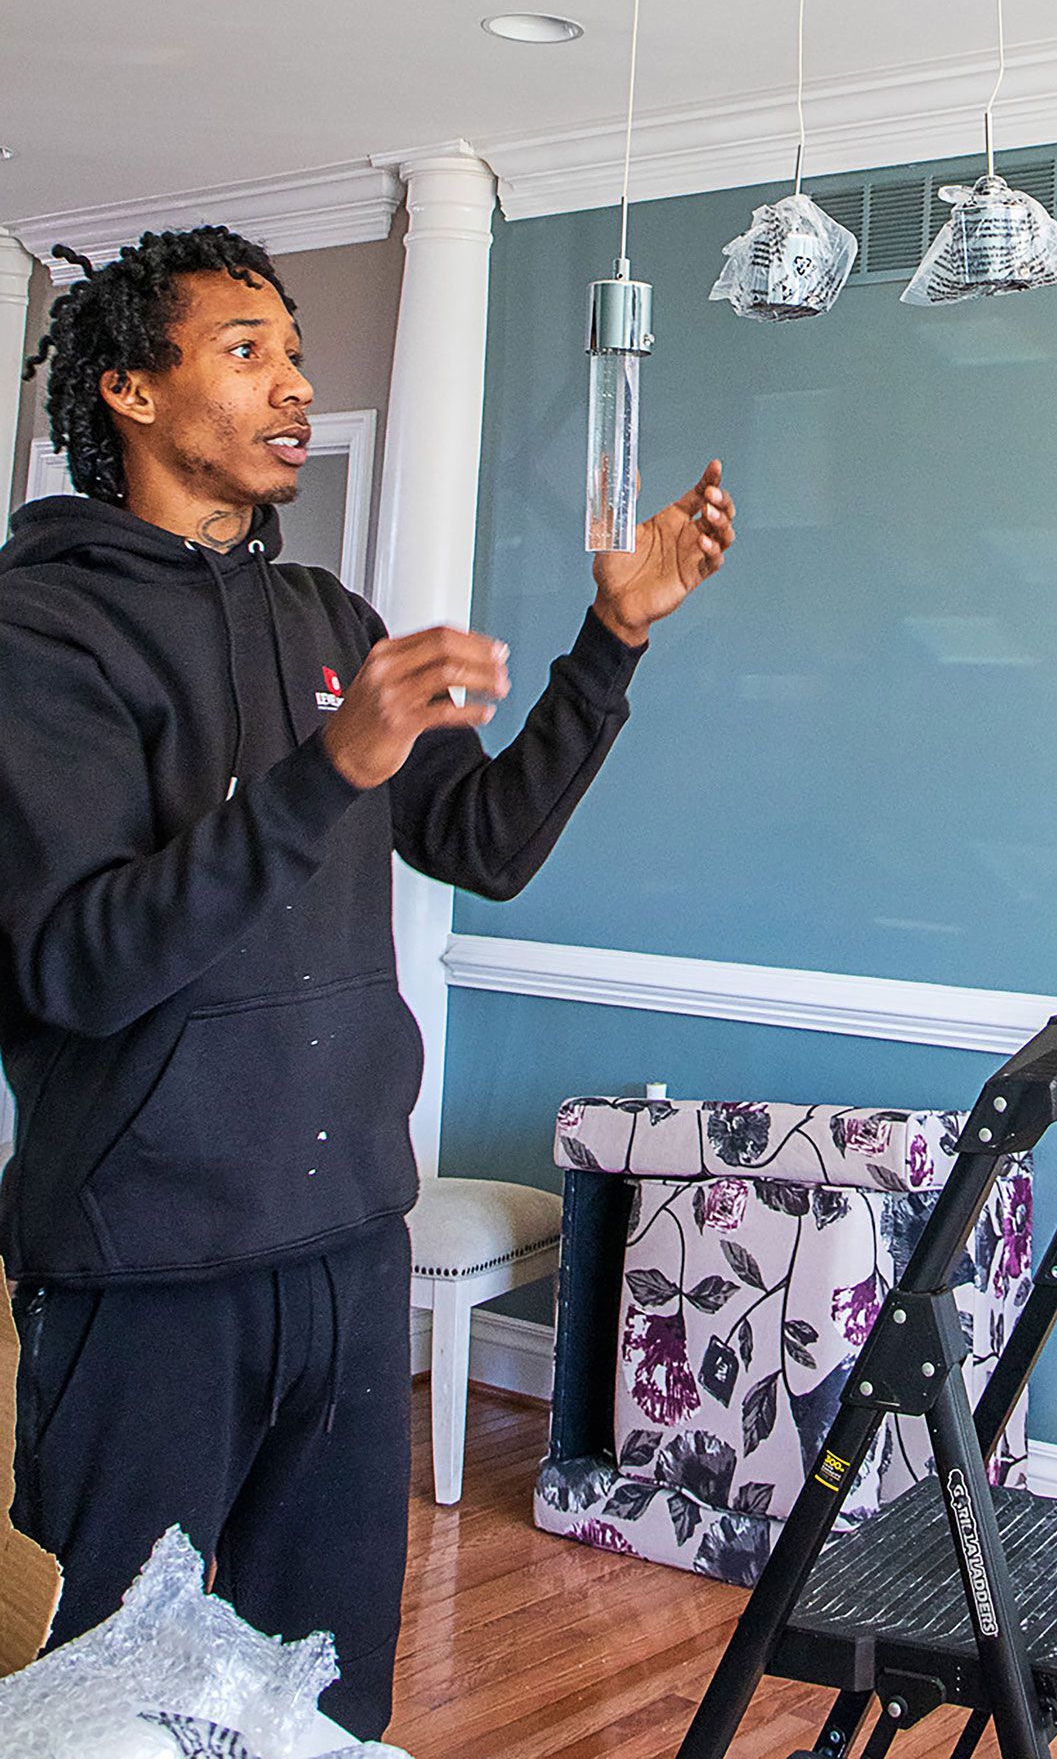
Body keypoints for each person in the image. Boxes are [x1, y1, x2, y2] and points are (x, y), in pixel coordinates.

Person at [1, 225, 734, 1736]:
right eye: (247, 349)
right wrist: (322, 772)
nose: (294, 386)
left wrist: (612, 642)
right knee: (123, 1715)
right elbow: (81, 963)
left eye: (296, 353)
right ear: (132, 390)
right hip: (145, 1277)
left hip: (343, 1257)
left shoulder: (327, 622)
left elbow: (487, 841)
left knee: (325, 1700)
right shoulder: (38, 629)